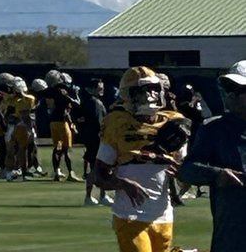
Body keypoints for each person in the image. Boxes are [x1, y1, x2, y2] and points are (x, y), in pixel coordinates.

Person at [94, 65, 190, 252]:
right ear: (128, 94)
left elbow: (186, 172)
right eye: (142, 90)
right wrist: (122, 183)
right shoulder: (117, 123)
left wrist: (183, 174)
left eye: (154, 89)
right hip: (130, 215)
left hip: (163, 215)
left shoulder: (174, 123)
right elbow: (100, 175)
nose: (149, 96)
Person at [178, 60, 246, 252]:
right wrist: (216, 175)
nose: (230, 95)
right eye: (227, 89)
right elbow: (186, 170)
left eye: (239, 90)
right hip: (231, 233)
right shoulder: (213, 128)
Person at [43, 69, 82, 181]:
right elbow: (76, 103)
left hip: (52, 121)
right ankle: (71, 173)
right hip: (62, 121)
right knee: (67, 149)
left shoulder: (48, 91)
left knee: (57, 148)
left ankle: (56, 172)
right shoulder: (62, 90)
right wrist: (75, 95)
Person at [77, 78, 111, 207]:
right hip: (97, 140)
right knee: (97, 168)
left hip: (93, 139)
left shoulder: (90, 102)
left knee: (101, 168)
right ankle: (90, 196)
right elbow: (98, 123)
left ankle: (102, 195)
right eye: (99, 88)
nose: (101, 91)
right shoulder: (94, 103)